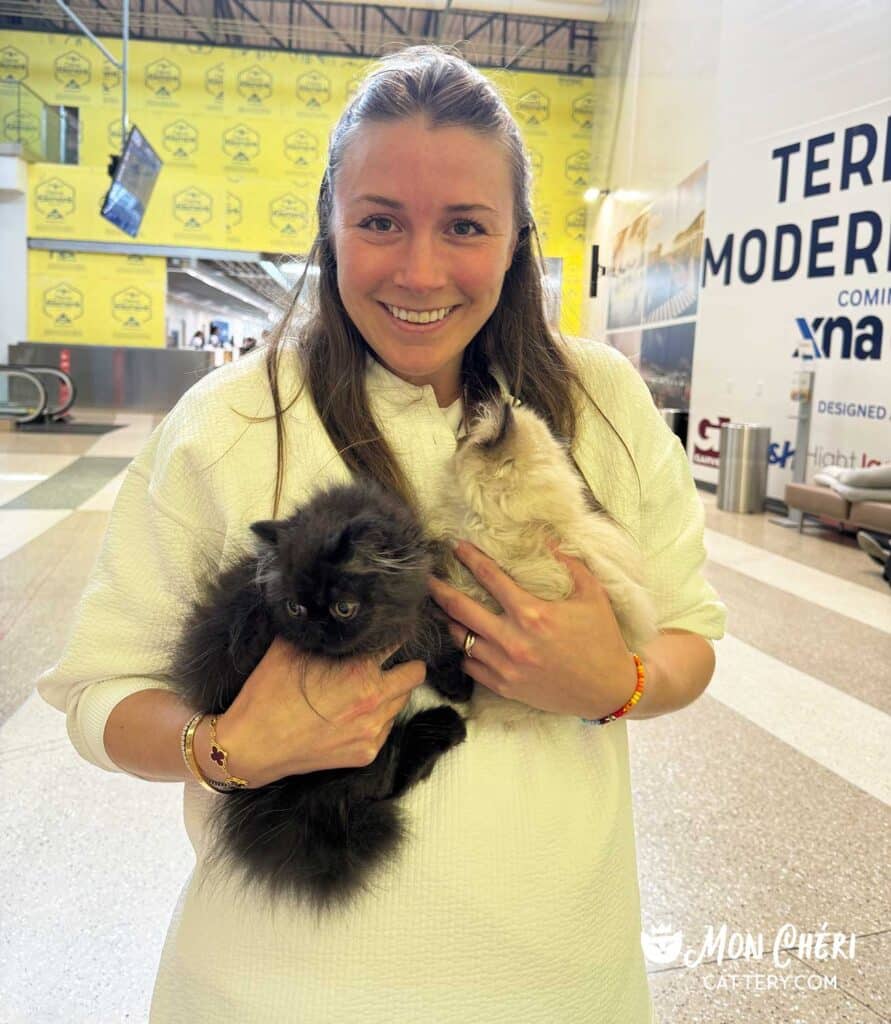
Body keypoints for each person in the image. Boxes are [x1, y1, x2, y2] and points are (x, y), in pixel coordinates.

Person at [36, 45, 725, 1022]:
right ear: (330, 224)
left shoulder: (602, 401)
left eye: (466, 226)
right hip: (270, 988)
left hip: (560, 981)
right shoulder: (226, 421)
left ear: (518, 238)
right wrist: (225, 744)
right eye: (380, 222)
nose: (421, 268)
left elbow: (692, 632)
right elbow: (98, 699)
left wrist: (621, 682)